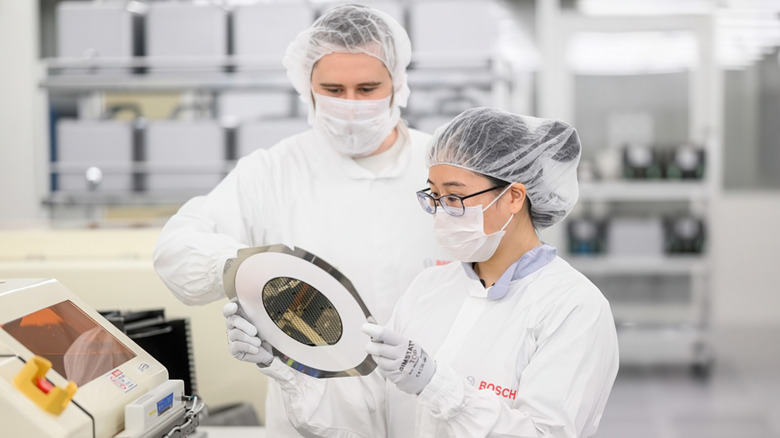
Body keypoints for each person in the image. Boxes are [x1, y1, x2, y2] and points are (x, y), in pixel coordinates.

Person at [224, 107, 620, 437]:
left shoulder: (573, 308)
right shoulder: (430, 288)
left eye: (454, 196)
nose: (441, 211)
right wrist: (286, 364)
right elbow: (370, 416)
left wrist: (440, 387)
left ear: (514, 196)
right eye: (434, 195)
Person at [153, 4, 443, 435]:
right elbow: (176, 250)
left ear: (398, 84)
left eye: (367, 88)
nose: (350, 105)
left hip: (432, 401)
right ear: (307, 87)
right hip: (313, 409)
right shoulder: (272, 171)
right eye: (333, 89)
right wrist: (247, 270)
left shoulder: (443, 164)